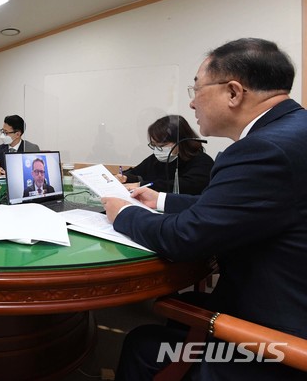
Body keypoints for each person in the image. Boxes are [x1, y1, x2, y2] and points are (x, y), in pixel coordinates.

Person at [102, 38, 307, 380]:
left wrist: (123, 213)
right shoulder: (292, 132)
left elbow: (184, 238)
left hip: (277, 337)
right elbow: (237, 208)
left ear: (233, 92)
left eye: (196, 88)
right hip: (283, 301)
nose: (192, 102)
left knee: (143, 342)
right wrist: (160, 200)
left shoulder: (262, 149)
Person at [115, 115, 214, 194]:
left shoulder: (203, 162)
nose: (158, 150)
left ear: (181, 141)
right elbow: (137, 172)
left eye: (162, 145)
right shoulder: (157, 159)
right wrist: (125, 177)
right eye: (154, 145)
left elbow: (183, 186)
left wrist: (141, 185)